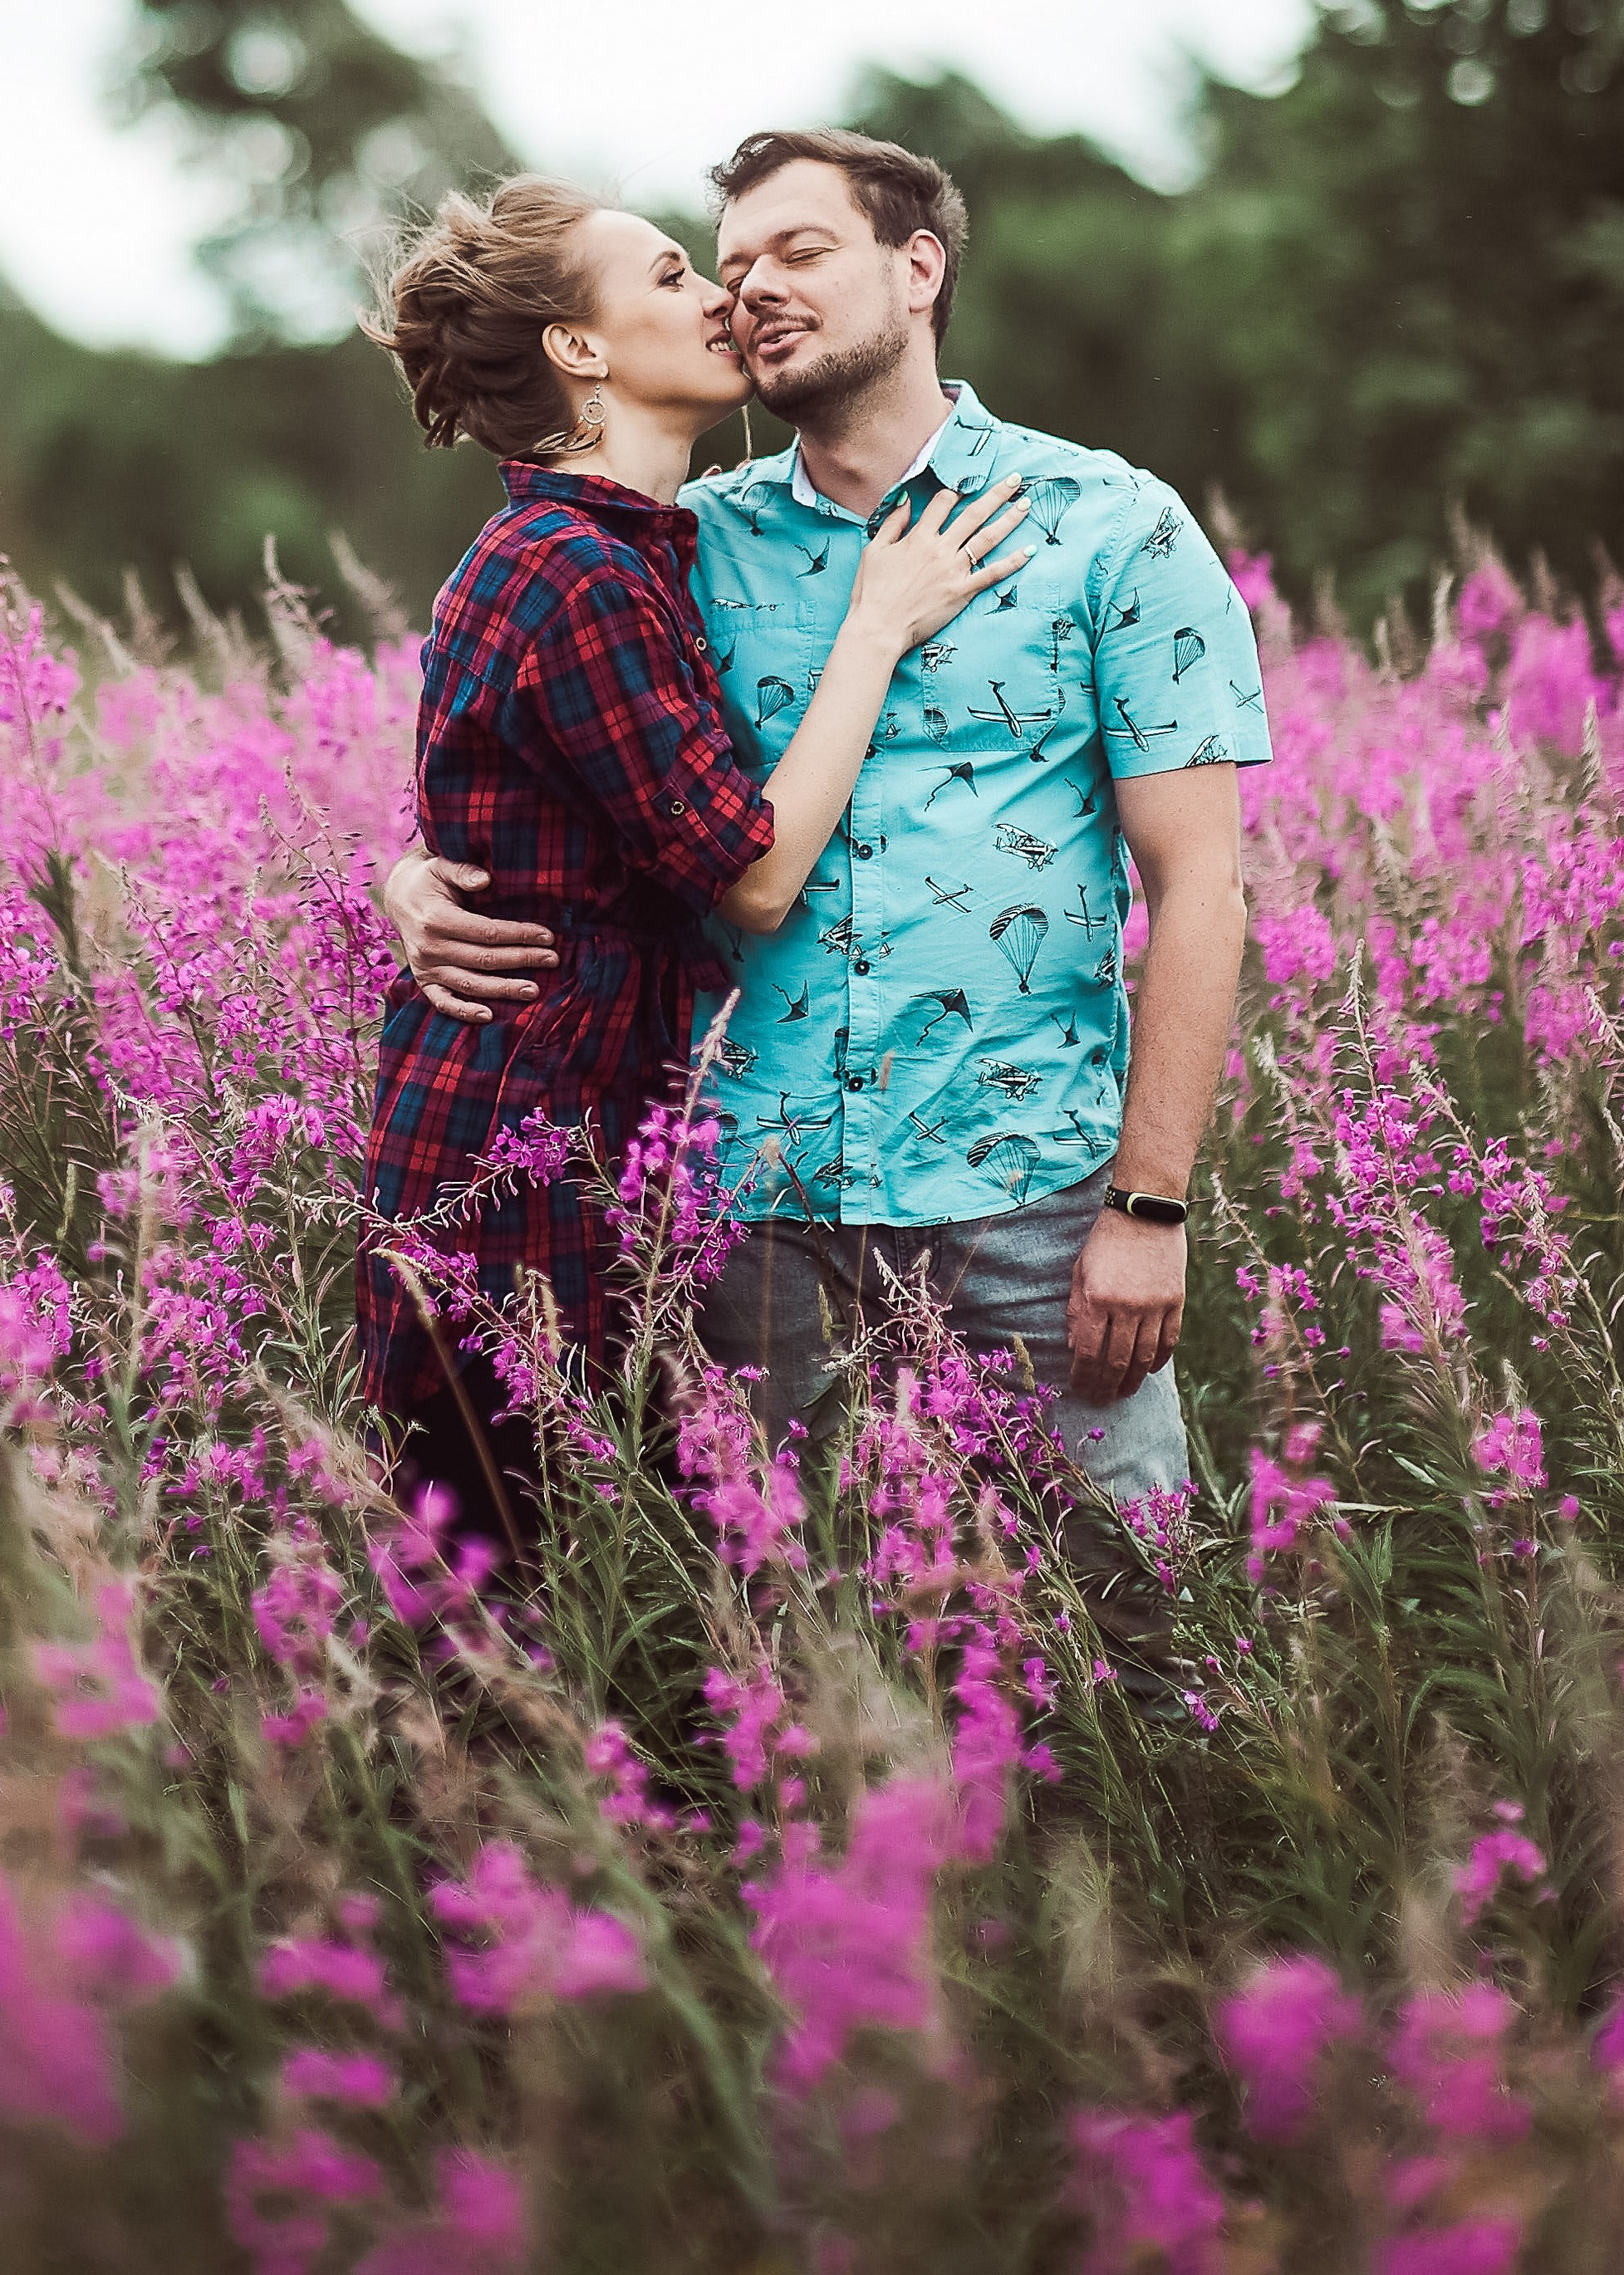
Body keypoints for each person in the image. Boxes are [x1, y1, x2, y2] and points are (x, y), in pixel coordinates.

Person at [385, 130, 1271, 1607]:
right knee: (805, 1660)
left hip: (1030, 1201)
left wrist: (1151, 1206)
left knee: (1139, 1634)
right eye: (727, 267)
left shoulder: (1108, 526)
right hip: (753, 1216)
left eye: (799, 252)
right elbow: (529, 741)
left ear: (917, 268)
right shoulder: (688, 542)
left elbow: (1202, 889)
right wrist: (414, 872)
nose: (751, 292)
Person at [359, 173, 1028, 1534]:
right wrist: (878, 621)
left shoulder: (636, 550)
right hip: (526, 1158)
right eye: (672, 276)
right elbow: (756, 875)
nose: (723, 297)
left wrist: (407, 875)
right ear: (579, 351)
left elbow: (490, 804)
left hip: (598, 1130)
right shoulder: (575, 569)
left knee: (612, 1591)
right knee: (511, 1608)